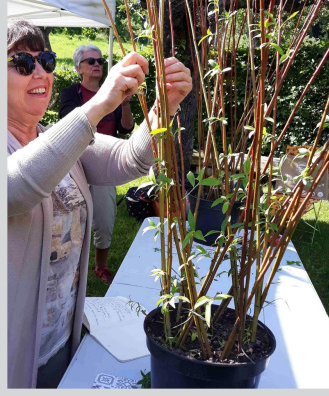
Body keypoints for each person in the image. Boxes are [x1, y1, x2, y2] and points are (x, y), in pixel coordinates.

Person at [7, 20, 192, 388]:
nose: (40, 70)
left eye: (45, 59)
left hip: (61, 339)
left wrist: (163, 108)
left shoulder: (55, 138)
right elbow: (17, 188)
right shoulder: (59, 138)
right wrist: (99, 105)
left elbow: (131, 159)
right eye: (23, 64)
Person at [58, 45, 135, 285]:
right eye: (90, 61)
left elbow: (127, 128)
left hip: (104, 165)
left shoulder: (112, 93)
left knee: (104, 218)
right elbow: (68, 125)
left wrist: (124, 103)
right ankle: (71, 267)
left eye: (100, 61)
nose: (97, 64)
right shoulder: (71, 93)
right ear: (78, 68)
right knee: (71, 220)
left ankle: (100, 266)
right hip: (76, 163)